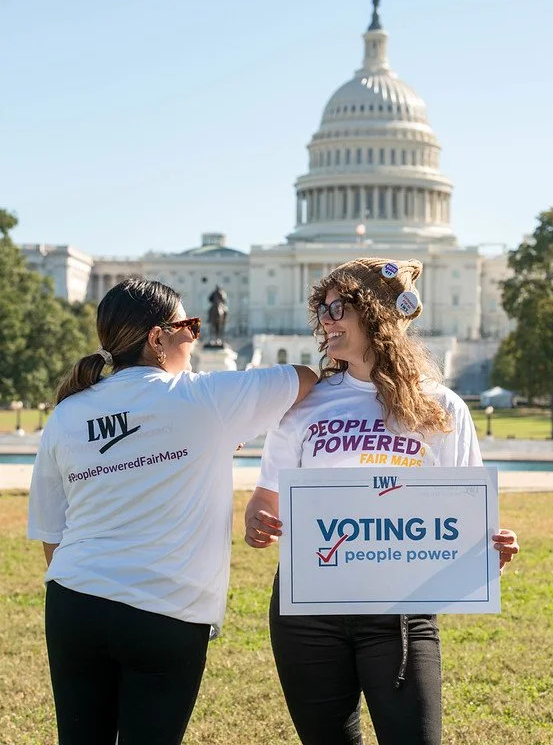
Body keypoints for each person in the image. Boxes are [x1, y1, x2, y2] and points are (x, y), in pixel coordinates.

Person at [27, 277, 317, 745]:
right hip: (168, 610)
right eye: (190, 325)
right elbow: (305, 378)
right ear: (156, 337)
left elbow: (50, 532)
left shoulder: (67, 413)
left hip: (74, 601)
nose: (196, 336)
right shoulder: (203, 398)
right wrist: (218, 429)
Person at [244, 257, 519, 745]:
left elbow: (464, 513)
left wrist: (487, 549)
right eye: (322, 309)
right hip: (308, 610)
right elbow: (266, 496)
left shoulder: (441, 407)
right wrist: (259, 520)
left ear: (377, 314)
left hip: (399, 609)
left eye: (337, 307)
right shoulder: (304, 405)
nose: (325, 320)